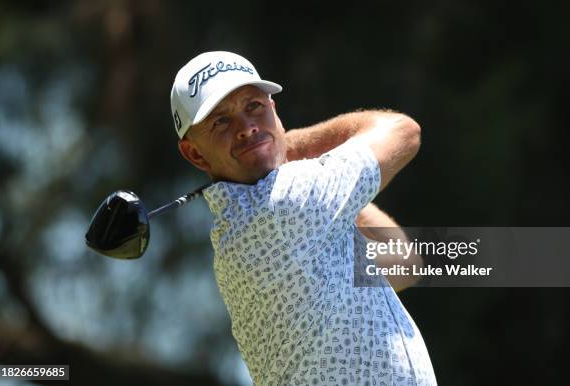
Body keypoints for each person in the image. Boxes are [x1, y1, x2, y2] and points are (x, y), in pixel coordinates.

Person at [170, 51, 436, 385]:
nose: (246, 128)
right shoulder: (287, 204)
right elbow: (402, 130)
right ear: (194, 153)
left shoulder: (300, 220)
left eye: (254, 106)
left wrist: (329, 189)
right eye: (220, 121)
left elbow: (403, 264)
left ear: (273, 109)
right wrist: (296, 145)